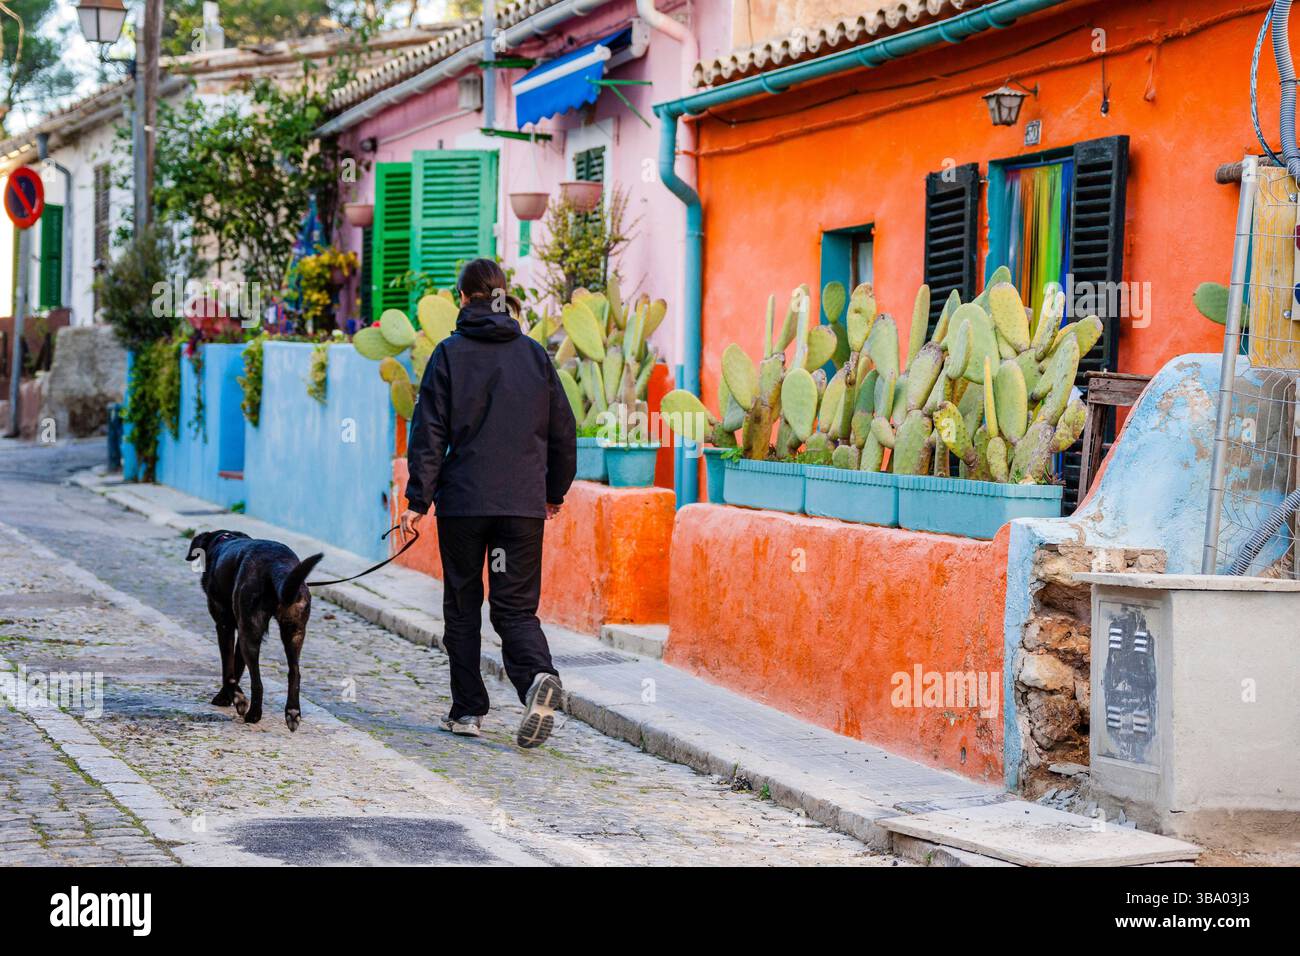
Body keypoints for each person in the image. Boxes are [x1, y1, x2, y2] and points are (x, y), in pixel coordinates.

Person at [398, 258, 576, 748]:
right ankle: (537, 677)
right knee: (515, 609)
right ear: (502, 296)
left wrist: (418, 498)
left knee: (462, 605)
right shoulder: (535, 357)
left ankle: (469, 711)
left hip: (464, 504)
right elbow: (563, 430)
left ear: (462, 299)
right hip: (521, 505)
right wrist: (553, 492)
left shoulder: (449, 355)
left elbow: (429, 431)